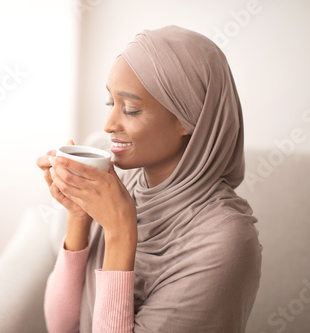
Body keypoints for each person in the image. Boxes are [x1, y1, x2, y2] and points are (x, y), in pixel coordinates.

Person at [37, 25, 262, 333]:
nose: (108, 124)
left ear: (188, 117)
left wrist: (120, 232)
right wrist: (79, 216)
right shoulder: (121, 185)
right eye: (110, 103)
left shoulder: (225, 242)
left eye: (130, 109)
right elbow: (61, 327)